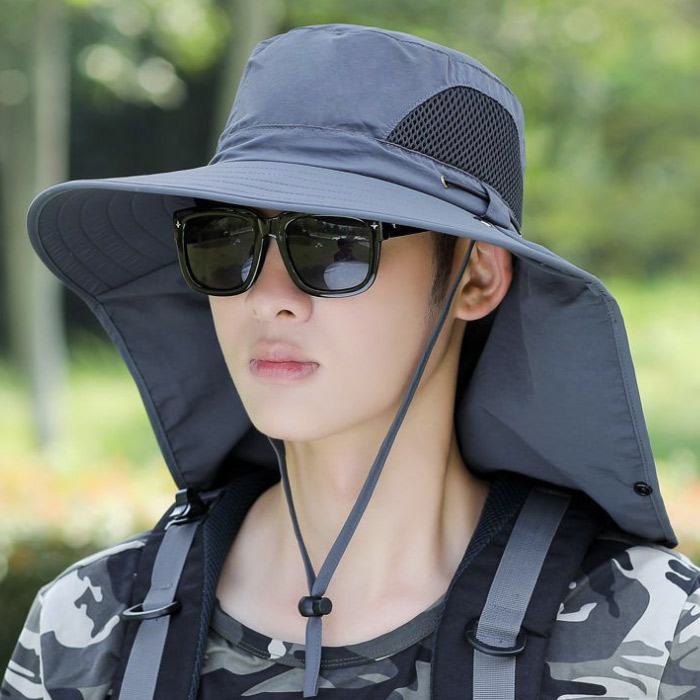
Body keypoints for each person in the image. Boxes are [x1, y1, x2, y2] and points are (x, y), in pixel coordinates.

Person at [3, 22, 699, 700]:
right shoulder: (89, 630)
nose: (266, 299)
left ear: (475, 277)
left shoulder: (654, 640)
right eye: (227, 241)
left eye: (334, 245)